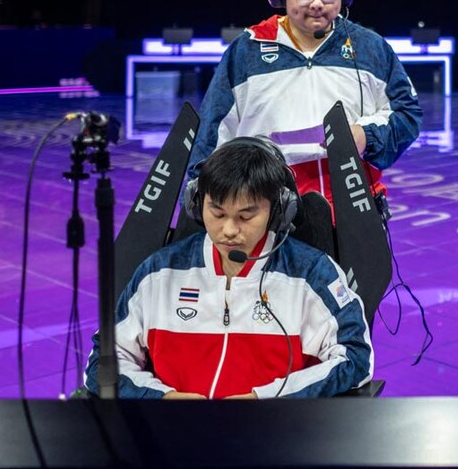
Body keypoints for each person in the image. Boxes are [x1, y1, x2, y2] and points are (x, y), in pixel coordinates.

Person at [85, 137, 374, 398]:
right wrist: (163, 399)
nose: (229, 230)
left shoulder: (312, 273)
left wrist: (266, 398)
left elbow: (355, 358)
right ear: (198, 204)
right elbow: (103, 363)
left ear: (278, 209)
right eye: (217, 212)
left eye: (246, 216)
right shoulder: (160, 272)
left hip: (279, 434)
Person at [188, 0, 422, 209]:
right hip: (266, 207)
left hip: (356, 206)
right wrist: (204, 195)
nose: (317, 3)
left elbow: (407, 115)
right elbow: (211, 134)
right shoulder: (246, 52)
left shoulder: (370, 47)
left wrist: (365, 136)